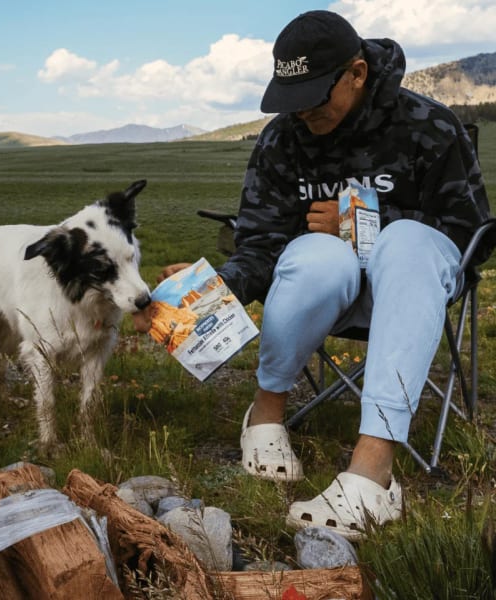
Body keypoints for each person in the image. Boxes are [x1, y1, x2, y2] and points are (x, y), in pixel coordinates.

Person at [134, 10, 492, 539]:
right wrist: (196, 298)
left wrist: (366, 223)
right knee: (317, 253)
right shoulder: (282, 141)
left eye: (315, 96)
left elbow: (470, 232)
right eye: (291, 99)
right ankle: (266, 415)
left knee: (406, 242)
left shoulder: (427, 126)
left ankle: (373, 470)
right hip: (329, 293)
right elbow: (259, 247)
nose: (302, 112)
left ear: (357, 73)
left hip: (415, 288)